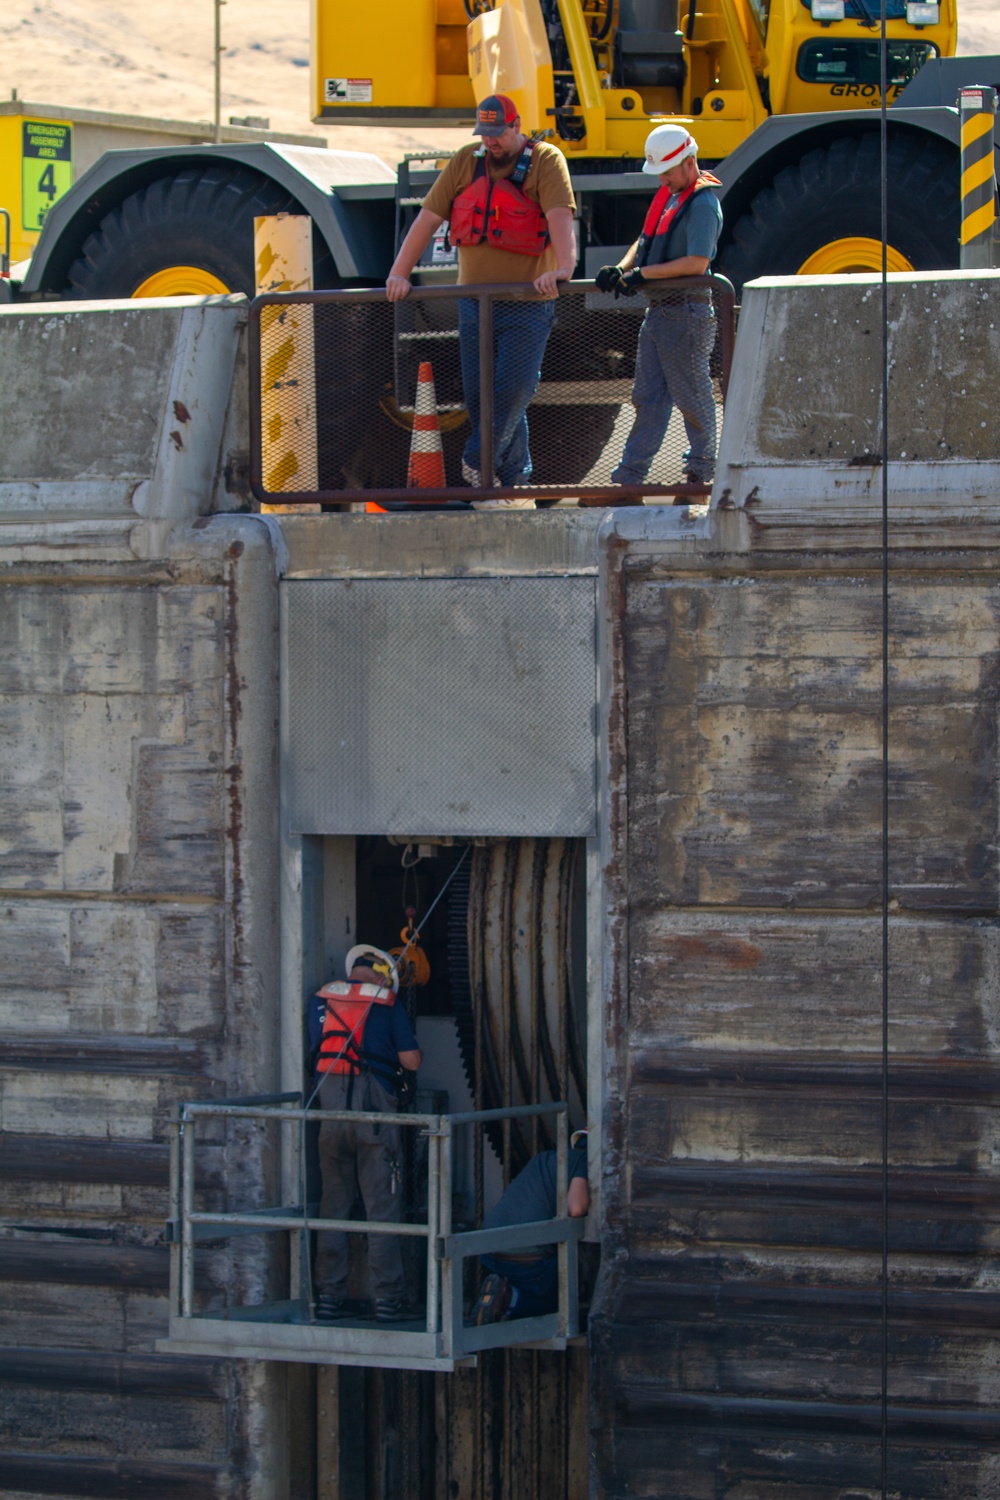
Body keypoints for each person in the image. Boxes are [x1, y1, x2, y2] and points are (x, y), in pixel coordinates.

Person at [385, 93, 577, 503]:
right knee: (479, 397)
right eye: (484, 134)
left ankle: (478, 462)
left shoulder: (546, 161)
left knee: (514, 389)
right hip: (475, 304)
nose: (490, 143)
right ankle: (509, 484)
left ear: (517, 126)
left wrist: (565, 266)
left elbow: (561, 214)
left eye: (498, 135)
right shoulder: (466, 161)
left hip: (527, 304)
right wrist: (399, 272)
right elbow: (428, 217)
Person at [595, 125, 723, 489]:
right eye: (661, 172)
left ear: (689, 162)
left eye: (667, 171)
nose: (663, 179)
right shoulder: (672, 195)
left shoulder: (702, 204)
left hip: (686, 312)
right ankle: (630, 481)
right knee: (648, 398)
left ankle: (700, 477)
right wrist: (623, 268)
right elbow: (645, 238)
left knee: (693, 397)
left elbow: (697, 264)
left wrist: (641, 274)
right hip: (663, 311)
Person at [307, 943, 422, 1323]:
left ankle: (328, 1298)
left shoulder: (320, 1001)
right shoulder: (387, 1003)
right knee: (381, 1208)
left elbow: (316, 1050)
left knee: (333, 1207)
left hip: (330, 1117)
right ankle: (387, 1300)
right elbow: (411, 1060)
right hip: (375, 1120)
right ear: (380, 975)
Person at [471, 1130, 589, 1324]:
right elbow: (576, 1209)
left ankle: (500, 1298)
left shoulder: (545, 1158)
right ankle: (508, 1298)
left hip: (489, 1250)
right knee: (561, 1305)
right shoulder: (582, 1162)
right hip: (525, 1258)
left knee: (529, 1283)